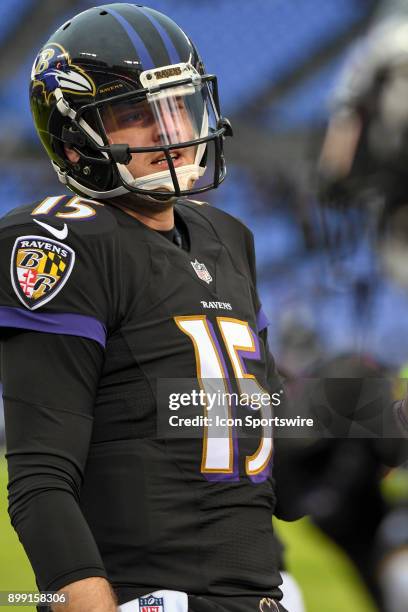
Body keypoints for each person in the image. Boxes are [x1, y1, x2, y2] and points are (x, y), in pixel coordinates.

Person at [0, 4, 288, 612]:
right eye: (136, 114)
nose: (169, 129)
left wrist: (374, 415)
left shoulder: (228, 237)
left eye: (176, 104)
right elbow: (41, 480)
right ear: (77, 139)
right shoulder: (64, 242)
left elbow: (261, 439)